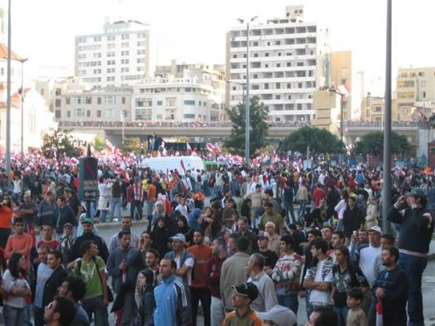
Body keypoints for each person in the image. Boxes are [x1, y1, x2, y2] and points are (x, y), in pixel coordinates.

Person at [388, 188, 434, 326]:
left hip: (415, 258)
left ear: (418, 199)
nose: (408, 199)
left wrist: (414, 208)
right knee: (401, 289)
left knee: (413, 291)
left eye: (411, 197)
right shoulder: (408, 212)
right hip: (402, 254)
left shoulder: (428, 214)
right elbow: (391, 216)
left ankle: (415, 321)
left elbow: (420, 223)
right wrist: (397, 205)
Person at [107, 230, 144, 326]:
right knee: (117, 315)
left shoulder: (134, 252)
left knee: (127, 316)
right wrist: (118, 269)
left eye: (129, 239)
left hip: (129, 289)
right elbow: (109, 270)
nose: (127, 241)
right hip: (118, 288)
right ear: (119, 240)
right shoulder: (114, 253)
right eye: (125, 239)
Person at [73, 240, 109, 326]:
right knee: (85, 322)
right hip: (86, 298)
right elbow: (78, 283)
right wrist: (81, 296)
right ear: (87, 250)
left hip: (98, 296)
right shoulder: (78, 264)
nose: (96, 250)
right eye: (93, 248)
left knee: (100, 322)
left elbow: (104, 279)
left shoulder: (98, 260)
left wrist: (105, 297)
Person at [331, 245, 368, 326]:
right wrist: (331, 297)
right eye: (335, 255)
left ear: (346, 256)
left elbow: (365, 286)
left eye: (339, 255)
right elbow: (334, 284)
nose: (337, 257)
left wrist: (356, 297)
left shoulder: (354, 269)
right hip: (336, 303)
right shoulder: (334, 268)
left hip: (349, 305)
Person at [373, 247, 409, 326]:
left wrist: (383, 293)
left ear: (393, 257)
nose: (382, 257)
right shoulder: (381, 274)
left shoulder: (401, 275)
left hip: (396, 318)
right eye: (382, 255)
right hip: (382, 316)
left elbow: (400, 295)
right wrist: (376, 290)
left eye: (385, 255)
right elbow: (374, 288)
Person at [153, 258, 192, 325]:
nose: (161, 268)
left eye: (164, 266)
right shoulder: (157, 287)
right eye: (160, 265)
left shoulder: (180, 287)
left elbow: (186, 313)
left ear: (173, 270)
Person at [271, 234, 302, 316]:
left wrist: (279, 275)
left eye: (283, 244)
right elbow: (273, 274)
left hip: (290, 293)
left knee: (290, 317)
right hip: (279, 292)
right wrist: (282, 276)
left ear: (289, 245)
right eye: (281, 244)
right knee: (281, 318)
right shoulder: (281, 257)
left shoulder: (296, 257)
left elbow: (292, 274)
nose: (281, 246)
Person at [303, 238, 334, 318]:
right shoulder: (312, 265)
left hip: (324, 301)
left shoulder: (330, 264)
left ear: (319, 250)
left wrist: (311, 284)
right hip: (311, 300)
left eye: (313, 248)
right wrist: (319, 283)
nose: (311, 251)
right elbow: (305, 284)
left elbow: (325, 286)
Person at [187, 229, 212, 326]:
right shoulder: (189, 251)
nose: (196, 238)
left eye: (198, 236)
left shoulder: (209, 250)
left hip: (205, 287)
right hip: (192, 287)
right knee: (192, 313)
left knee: (207, 312)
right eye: (194, 236)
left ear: (203, 237)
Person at [220, 236, 250, 312]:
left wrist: (224, 299)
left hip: (230, 302)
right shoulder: (251, 262)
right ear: (248, 247)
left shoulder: (226, 262)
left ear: (236, 246)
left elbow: (222, 284)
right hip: (246, 304)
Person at [2, 252, 32, 326]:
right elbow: (13, 291)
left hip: (22, 306)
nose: (24, 261)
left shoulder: (21, 273)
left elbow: (29, 291)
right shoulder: (8, 273)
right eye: (22, 259)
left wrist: (22, 291)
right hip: (11, 307)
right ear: (16, 260)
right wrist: (25, 291)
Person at [205, 237, 227, 326]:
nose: (211, 247)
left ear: (220, 246)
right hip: (215, 296)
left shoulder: (229, 260)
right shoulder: (210, 261)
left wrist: (214, 275)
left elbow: (227, 278)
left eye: (214, 245)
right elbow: (207, 279)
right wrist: (219, 276)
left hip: (228, 298)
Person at [43, 250, 69, 320]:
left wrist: (54, 307)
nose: (48, 261)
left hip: (55, 310)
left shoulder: (61, 273)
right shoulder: (56, 272)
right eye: (48, 259)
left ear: (59, 260)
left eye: (51, 259)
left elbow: (60, 293)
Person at [34, 245, 53, 326]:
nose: (41, 256)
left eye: (44, 253)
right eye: (40, 254)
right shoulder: (40, 265)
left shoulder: (54, 267)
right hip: (37, 303)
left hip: (48, 305)